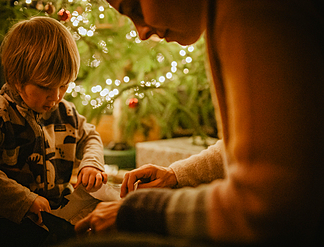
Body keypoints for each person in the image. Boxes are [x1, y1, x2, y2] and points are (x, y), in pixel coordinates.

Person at [74, 0, 324, 246]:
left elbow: (264, 208)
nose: (141, 33)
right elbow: (271, 145)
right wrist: (176, 175)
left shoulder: (250, 10)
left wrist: (137, 212)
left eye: (134, 8)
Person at [0, 16, 107, 247]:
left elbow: (91, 136)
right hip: (8, 218)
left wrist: (91, 163)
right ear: (17, 79)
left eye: (64, 85)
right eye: (45, 87)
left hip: (57, 212)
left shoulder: (66, 111)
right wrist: (25, 200)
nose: (56, 97)